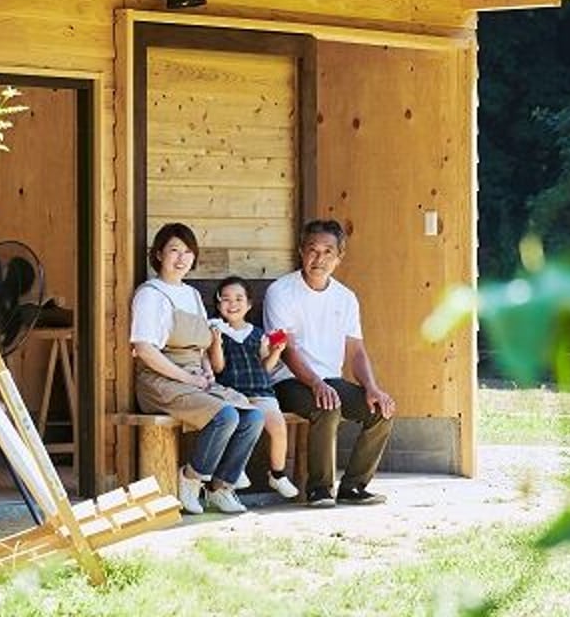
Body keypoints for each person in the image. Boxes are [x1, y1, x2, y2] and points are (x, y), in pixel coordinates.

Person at [130, 223, 265, 515]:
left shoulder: (191, 295)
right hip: (160, 380)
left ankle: (220, 488)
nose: (181, 258)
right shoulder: (150, 294)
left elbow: (202, 346)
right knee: (225, 415)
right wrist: (188, 378)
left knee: (253, 416)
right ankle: (190, 479)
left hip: (195, 379)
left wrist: (206, 373)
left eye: (188, 252)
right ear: (158, 255)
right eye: (174, 251)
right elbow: (145, 350)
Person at [263, 218, 396, 507]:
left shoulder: (346, 298)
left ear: (339, 257)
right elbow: (287, 350)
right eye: (313, 250)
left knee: (381, 410)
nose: (319, 258)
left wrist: (372, 387)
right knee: (327, 405)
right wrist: (315, 383)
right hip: (289, 381)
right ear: (301, 250)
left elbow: (356, 350)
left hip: (329, 381)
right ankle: (319, 489)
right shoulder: (281, 291)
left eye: (327, 252)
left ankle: (354, 487)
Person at [207, 275, 300, 500]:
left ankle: (277, 474)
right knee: (243, 424)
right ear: (218, 304)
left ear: (249, 304)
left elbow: (265, 368)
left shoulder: (258, 334)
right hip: (232, 392)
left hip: (261, 391)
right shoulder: (216, 331)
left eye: (239, 299)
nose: (232, 304)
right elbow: (218, 368)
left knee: (277, 425)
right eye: (226, 299)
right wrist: (216, 344)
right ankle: (235, 471)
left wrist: (276, 351)